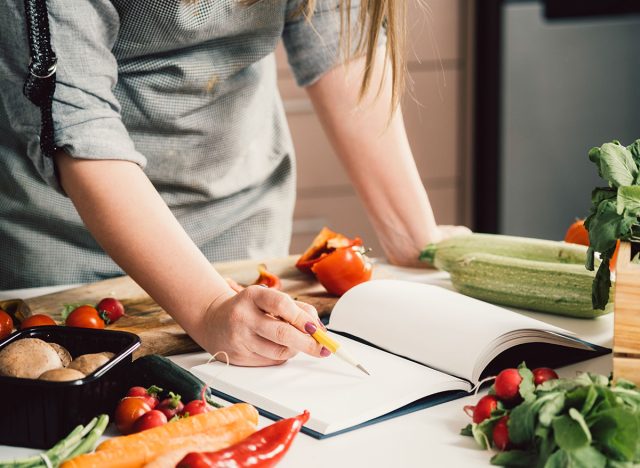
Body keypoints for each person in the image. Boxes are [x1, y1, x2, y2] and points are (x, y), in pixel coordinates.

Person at [0, 0, 469, 366]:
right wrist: (207, 309)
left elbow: (341, 41)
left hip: (241, 226)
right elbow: (80, 127)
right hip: (66, 246)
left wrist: (413, 236)